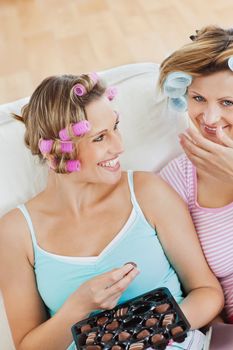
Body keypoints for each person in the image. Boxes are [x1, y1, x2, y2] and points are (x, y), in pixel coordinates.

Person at [0, 72, 223, 350]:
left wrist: (133, 333)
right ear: (53, 152)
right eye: (99, 138)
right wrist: (78, 309)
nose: (118, 146)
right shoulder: (16, 232)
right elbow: (28, 346)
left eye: (115, 127)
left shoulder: (146, 192)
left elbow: (208, 293)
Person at [159, 25, 233, 324]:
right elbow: (189, 288)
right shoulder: (174, 180)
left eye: (228, 103)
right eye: (198, 98)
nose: (211, 119)